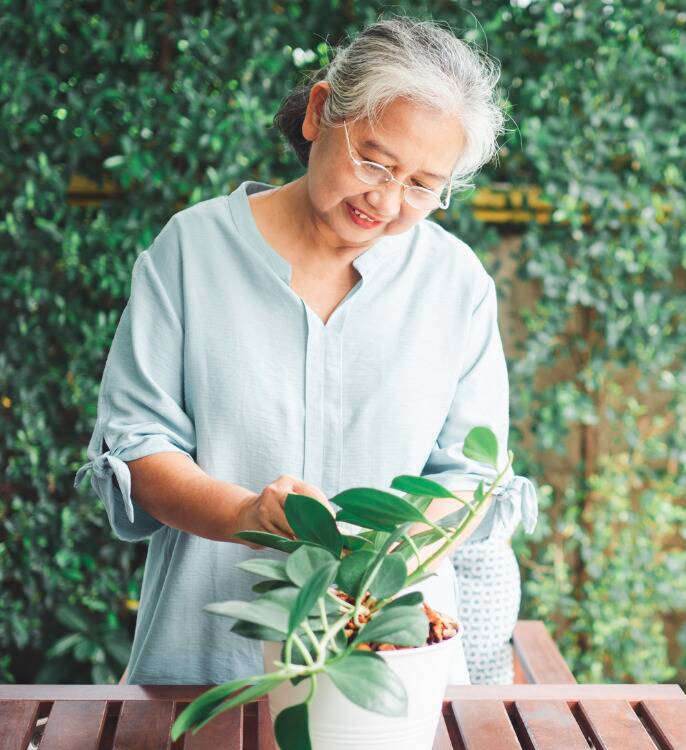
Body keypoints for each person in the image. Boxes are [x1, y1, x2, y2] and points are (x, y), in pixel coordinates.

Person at [74, 16, 530, 686]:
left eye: (423, 185)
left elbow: (468, 480)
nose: (387, 198)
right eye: (374, 160)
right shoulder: (191, 251)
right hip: (207, 667)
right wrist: (245, 516)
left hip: (393, 673)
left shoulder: (455, 284)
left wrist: (375, 546)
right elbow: (137, 448)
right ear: (320, 111)